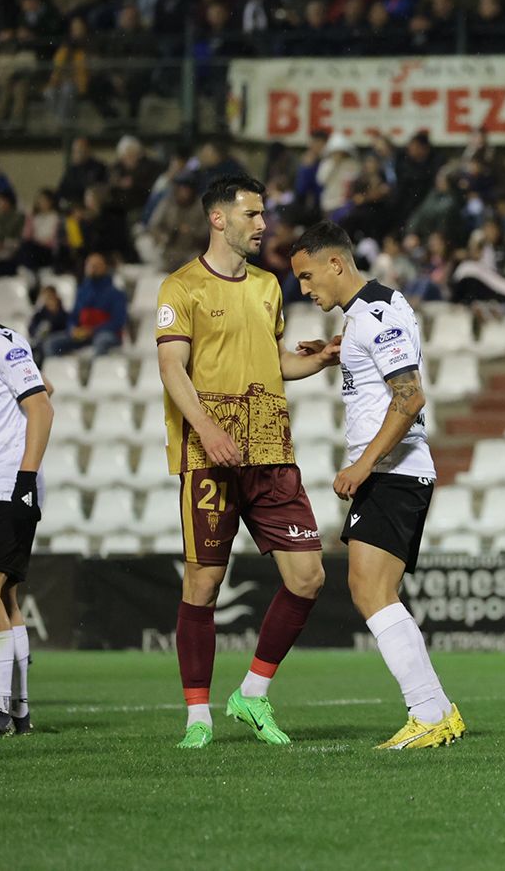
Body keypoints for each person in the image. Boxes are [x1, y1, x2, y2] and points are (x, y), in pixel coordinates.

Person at [155, 175, 341, 749]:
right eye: (253, 215)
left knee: (308, 577)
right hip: (209, 455)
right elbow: (171, 370)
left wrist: (323, 358)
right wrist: (206, 430)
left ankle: (252, 695)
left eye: (263, 215)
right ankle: (198, 718)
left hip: (270, 450)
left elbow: (274, 361)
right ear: (219, 219)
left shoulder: (268, 286)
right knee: (204, 583)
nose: (264, 225)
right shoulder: (179, 288)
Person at [289, 222, 465, 750]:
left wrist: (362, 466)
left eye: (306, 275)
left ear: (336, 264)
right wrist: (341, 353)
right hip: (393, 471)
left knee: (370, 590)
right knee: (376, 591)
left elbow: (410, 398)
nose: (303, 288)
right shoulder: (368, 315)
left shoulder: (378, 313)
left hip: (393, 471)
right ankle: (436, 711)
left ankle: (428, 712)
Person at [0, 262, 51, 737]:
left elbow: (41, 407)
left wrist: (25, 480)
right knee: (5, 596)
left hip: (5, 485)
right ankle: (20, 712)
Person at [44, 251, 127, 357]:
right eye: (90, 265)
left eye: (96, 266)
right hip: (84, 335)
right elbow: (74, 316)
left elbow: (118, 322)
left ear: (104, 267)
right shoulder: (82, 292)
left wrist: (93, 330)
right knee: (52, 343)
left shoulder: (116, 293)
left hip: (106, 333)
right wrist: (73, 328)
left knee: (101, 342)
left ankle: (99, 372)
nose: (92, 269)